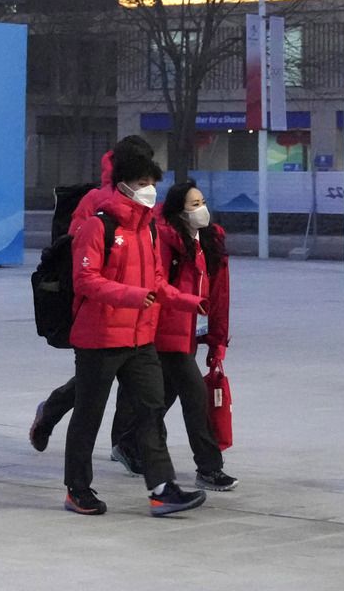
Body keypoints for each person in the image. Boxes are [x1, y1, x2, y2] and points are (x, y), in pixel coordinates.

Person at [62, 152, 208, 518]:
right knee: (88, 414)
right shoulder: (99, 226)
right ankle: (77, 489)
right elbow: (86, 280)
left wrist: (188, 301)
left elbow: (157, 281)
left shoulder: (149, 228)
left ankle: (162, 489)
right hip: (100, 337)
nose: (150, 190)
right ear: (123, 185)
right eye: (142, 183)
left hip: (141, 337)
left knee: (151, 410)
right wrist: (132, 296)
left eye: (152, 182)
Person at [108, 181, 236, 491]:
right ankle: (209, 467)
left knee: (161, 398)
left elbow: (219, 296)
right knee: (195, 396)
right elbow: (158, 285)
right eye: (194, 205)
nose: (201, 209)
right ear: (179, 210)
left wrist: (217, 341)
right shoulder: (165, 240)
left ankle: (128, 443)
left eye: (202, 201)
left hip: (192, 333)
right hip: (166, 332)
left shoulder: (211, 241)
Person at [27, 136, 152, 452]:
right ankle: (53, 413)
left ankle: (126, 445)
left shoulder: (147, 202)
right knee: (93, 386)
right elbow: (77, 258)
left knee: (136, 382)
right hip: (101, 310)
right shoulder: (96, 202)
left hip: (141, 307)